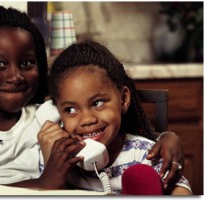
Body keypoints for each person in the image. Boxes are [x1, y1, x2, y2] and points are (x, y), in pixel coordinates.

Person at [0, 5, 184, 189]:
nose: (16, 76)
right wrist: (45, 183)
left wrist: (167, 138)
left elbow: (110, 127)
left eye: (27, 63)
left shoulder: (50, 114)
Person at [38, 41, 192, 194]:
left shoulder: (144, 154)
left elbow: (181, 191)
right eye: (70, 109)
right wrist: (51, 166)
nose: (87, 119)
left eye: (97, 103)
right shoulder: (57, 159)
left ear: (123, 100)